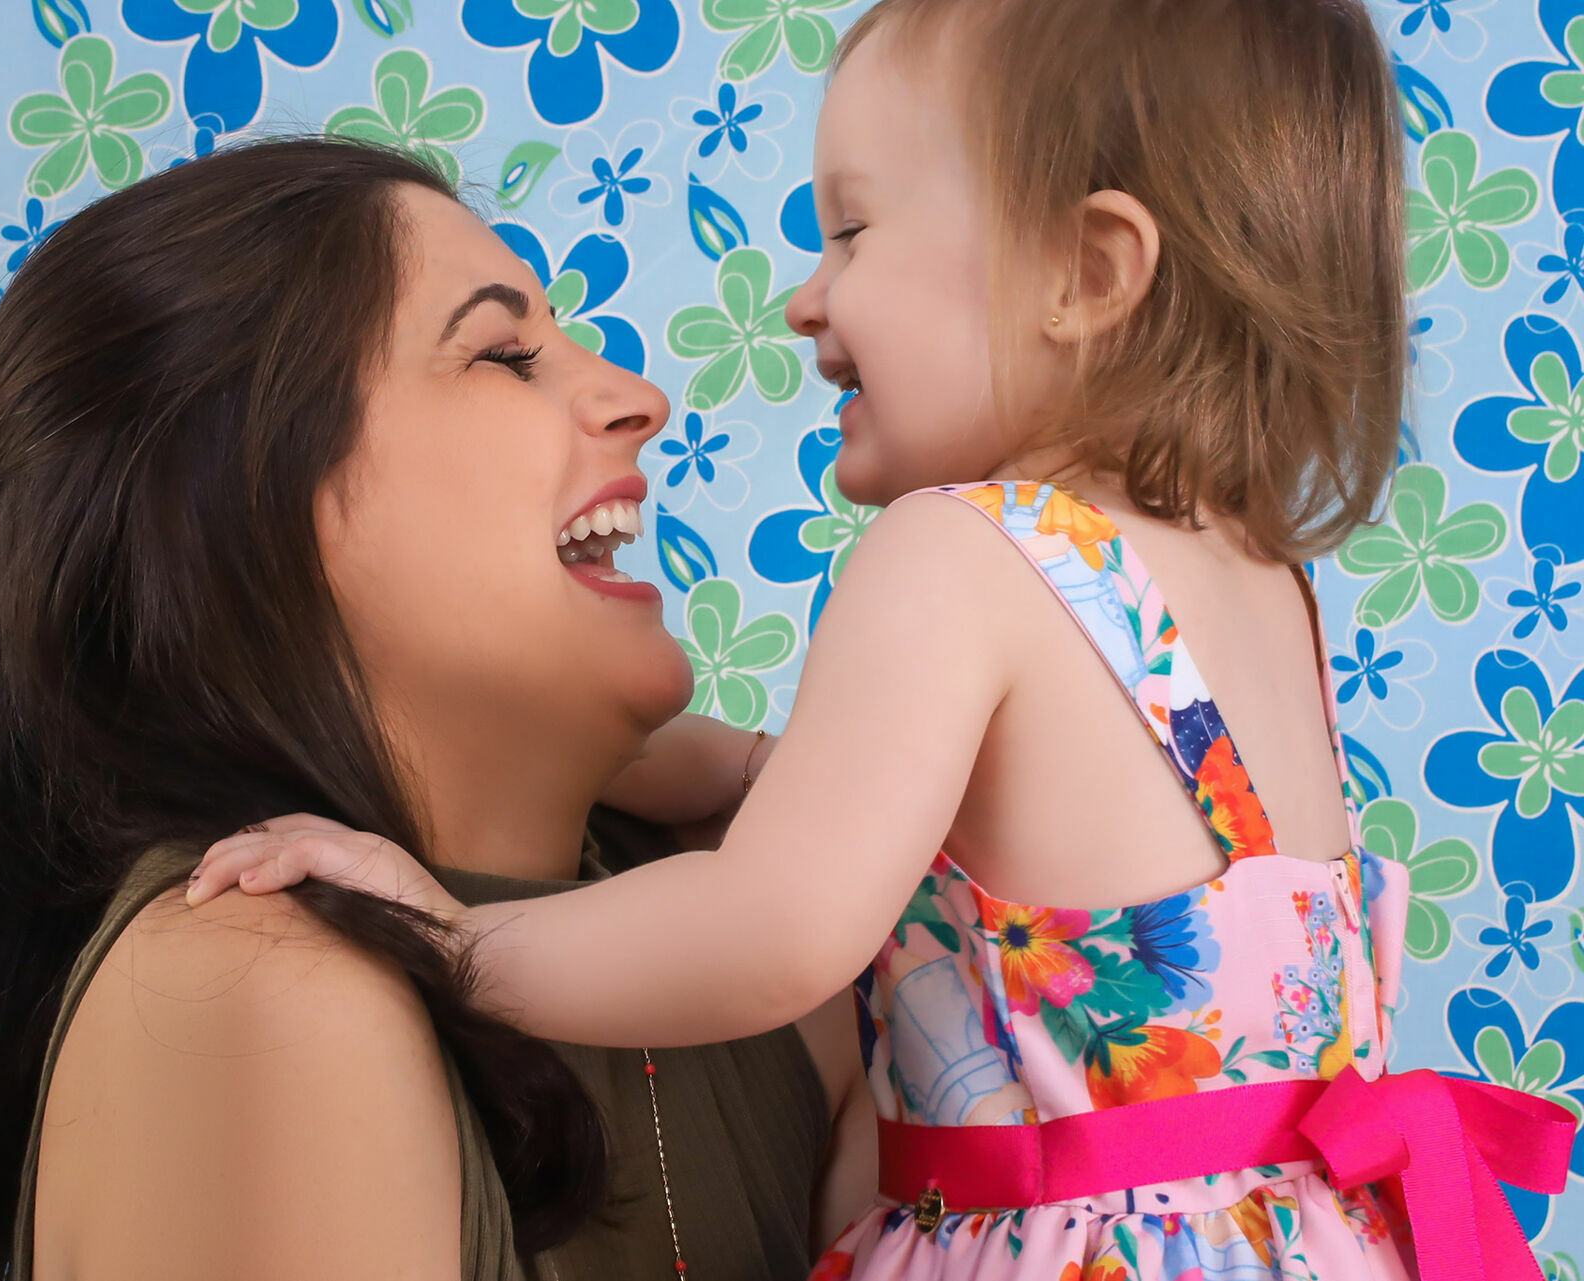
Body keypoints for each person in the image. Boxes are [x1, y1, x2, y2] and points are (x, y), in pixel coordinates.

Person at [187, 3, 1579, 1278]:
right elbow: (985, 843)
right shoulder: (1262, 584)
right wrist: (726, 764)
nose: (807, 299)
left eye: (852, 232)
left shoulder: (960, 551)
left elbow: (773, 927)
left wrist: (452, 940)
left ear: (1086, 271)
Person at [0, 135, 875, 1281]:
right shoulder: (248, 985)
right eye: (503, 355)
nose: (642, 398)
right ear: (238, 525)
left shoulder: (763, 946)